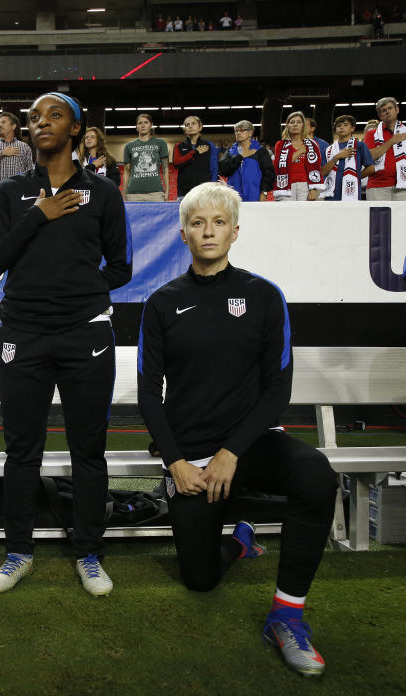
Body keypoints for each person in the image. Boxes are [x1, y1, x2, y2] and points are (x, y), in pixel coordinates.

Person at [137, 182, 336, 677]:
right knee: (199, 580)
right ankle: (241, 541)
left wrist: (232, 451)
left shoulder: (264, 296)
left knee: (316, 473)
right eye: (198, 223)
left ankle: (287, 616)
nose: (208, 231)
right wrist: (175, 461)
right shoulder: (162, 302)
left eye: (218, 223)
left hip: (250, 445)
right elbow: (147, 392)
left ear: (234, 232)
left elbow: (277, 390)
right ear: (183, 234)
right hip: (192, 461)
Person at [0, 92, 132, 594]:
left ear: (77, 129)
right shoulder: (9, 194)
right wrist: (39, 215)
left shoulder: (104, 194)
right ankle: (18, 551)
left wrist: (82, 294)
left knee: (90, 450)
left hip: (86, 334)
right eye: (34, 118)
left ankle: (88, 551)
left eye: (54, 116)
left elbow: (121, 268)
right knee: (22, 450)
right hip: (22, 334)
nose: (41, 123)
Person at [320, 115, 375, 201]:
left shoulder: (359, 146)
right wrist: (336, 157)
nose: (341, 127)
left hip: (352, 191)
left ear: (352, 128)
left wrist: (355, 177)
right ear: (335, 130)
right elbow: (322, 173)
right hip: (332, 194)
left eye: (345, 125)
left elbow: (371, 168)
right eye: (338, 126)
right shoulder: (327, 150)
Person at [272, 111, 323, 201]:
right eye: (292, 122)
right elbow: (279, 165)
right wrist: (300, 151)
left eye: (298, 122)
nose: (295, 125)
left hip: (306, 186)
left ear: (303, 125)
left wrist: (314, 189)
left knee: (305, 214)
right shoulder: (280, 144)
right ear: (287, 126)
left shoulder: (312, 144)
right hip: (285, 186)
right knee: (286, 214)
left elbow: (317, 168)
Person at [218, 120, 274, 202]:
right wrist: (240, 156)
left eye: (242, 130)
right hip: (234, 197)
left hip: (255, 195)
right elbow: (223, 170)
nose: (238, 133)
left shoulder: (260, 151)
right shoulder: (230, 151)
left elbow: (268, 173)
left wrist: (264, 192)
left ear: (250, 133)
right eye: (236, 131)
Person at [364, 97, 406, 201]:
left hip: (404, 186)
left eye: (390, 108)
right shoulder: (371, 134)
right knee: (377, 218)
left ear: (397, 110)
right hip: (378, 186)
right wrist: (391, 141)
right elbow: (370, 157)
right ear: (380, 115)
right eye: (383, 110)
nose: (387, 112)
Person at [123, 113, 170, 201]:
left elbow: (165, 169)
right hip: (133, 194)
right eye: (140, 123)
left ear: (151, 125)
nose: (143, 125)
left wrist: (167, 191)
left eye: (146, 122)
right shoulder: (129, 146)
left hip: (156, 193)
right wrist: (124, 193)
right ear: (136, 127)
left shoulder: (161, 143)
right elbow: (126, 171)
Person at [173, 115, 218, 200]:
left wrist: (212, 187)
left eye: (193, 123)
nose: (190, 126)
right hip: (184, 193)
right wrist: (195, 152)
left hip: (205, 192)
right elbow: (176, 163)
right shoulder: (179, 146)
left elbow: (214, 168)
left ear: (200, 127)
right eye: (187, 125)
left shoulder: (209, 145)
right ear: (185, 130)